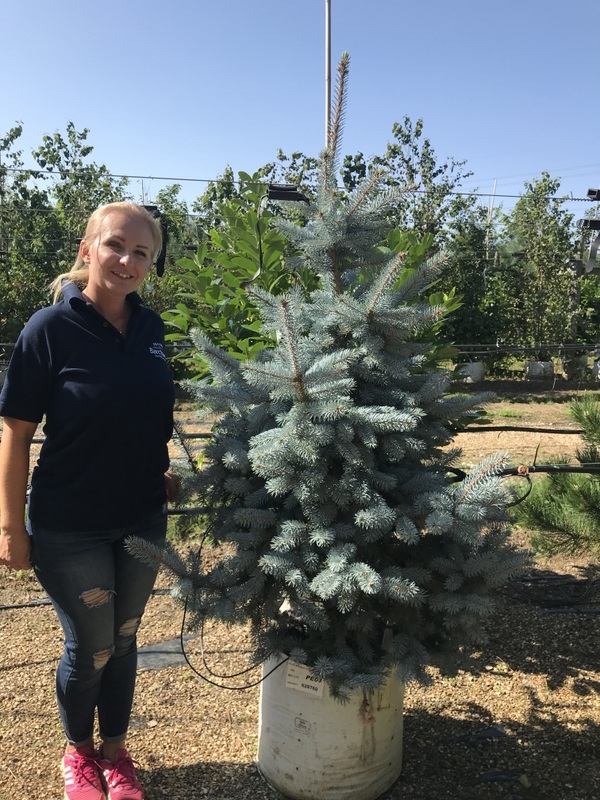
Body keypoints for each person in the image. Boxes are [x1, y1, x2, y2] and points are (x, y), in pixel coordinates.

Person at [0, 201, 178, 800]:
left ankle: (115, 752)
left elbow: (155, 417)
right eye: (115, 246)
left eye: (141, 253)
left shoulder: (150, 329)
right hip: (69, 525)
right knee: (91, 644)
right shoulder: (48, 330)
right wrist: (10, 527)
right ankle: (77, 752)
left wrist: (164, 470)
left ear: (151, 264)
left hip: (142, 519)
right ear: (87, 249)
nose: (126, 260)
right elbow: (16, 434)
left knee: (126, 637)